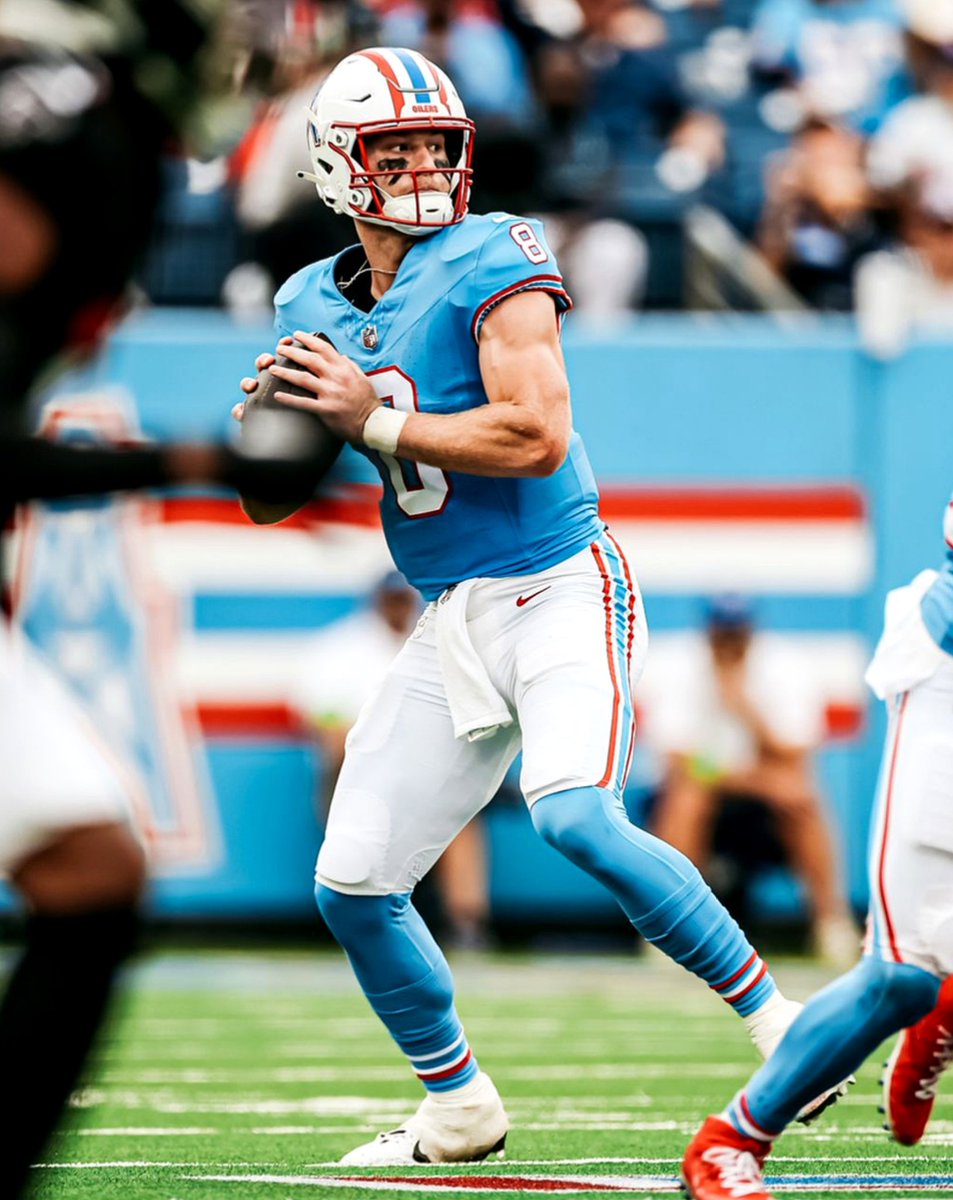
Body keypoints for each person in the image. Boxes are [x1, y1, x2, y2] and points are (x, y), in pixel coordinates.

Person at [234, 45, 841, 1167]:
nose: (420, 166)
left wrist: (368, 419)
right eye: (392, 148)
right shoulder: (308, 298)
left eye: (432, 145)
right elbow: (275, 499)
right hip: (451, 611)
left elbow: (535, 436)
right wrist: (275, 441)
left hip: (563, 579)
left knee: (572, 812)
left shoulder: (491, 252)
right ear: (336, 165)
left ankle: (785, 1030)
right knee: (354, 884)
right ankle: (457, 1105)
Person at [0, 4, 335, 1194]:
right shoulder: (68, 127)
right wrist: (188, 464)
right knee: (88, 871)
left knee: (89, 872)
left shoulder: (95, 130)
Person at [680, 491, 953, 1199]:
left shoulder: (773, 668)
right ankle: (731, 1141)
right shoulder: (688, 668)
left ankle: (940, 1011)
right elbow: (682, 763)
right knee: (900, 974)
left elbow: (789, 755)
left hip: (769, 786)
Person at [649, 594, 857, 962]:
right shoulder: (679, 665)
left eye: (737, 634)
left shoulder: (785, 666)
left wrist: (743, 705)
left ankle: (830, 921)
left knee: (803, 799)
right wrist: (749, 776)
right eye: (722, 635)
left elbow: (795, 756)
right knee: (687, 797)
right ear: (708, 632)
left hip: (761, 803)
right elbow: (675, 759)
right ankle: (671, 929)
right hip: (714, 789)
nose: (730, 644)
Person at [293, 569, 491, 947]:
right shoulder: (342, 650)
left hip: (430, 767)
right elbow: (328, 727)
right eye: (392, 600)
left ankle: (465, 920)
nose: (398, 608)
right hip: (358, 771)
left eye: (404, 599)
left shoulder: (441, 642)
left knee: (464, 814)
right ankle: (359, 913)